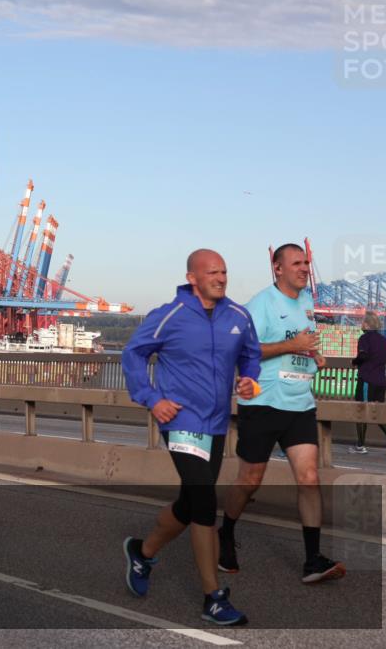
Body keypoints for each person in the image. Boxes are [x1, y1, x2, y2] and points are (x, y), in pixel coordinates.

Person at [121, 249, 260, 626]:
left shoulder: (239, 316)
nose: (221, 277)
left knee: (189, 502)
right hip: (180, 421)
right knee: (203, 500)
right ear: (192, 277)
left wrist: (249, 379)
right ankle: (213, 597)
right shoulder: (170, 315)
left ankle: (142, 551)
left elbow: (251, 355)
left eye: (225, 271)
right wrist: (152, 399)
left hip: (215, 424)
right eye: (213, 272)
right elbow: (133, 355)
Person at [219, 243, 346, 583]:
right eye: (297, 263)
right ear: (278, 269)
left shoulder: (306, 302)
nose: (305, 268)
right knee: (250, 481)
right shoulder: (260, 305)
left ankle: (313, 560)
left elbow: (304, 340)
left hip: (299, 405)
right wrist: (293, 346)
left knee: (309, 478)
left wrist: (313, 356)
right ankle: (225, 532)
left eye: (307, 263)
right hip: (262, 404)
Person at [350, 312, 386, 455]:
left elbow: (363, 355)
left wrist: (354, 361)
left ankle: (360, 445)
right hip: (380, 382)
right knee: (376, 411)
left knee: (361, 409)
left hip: (367, 380)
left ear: (368, 324)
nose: (361, 324)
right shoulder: (383, 340)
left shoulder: (364, 338)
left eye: (363, 322)